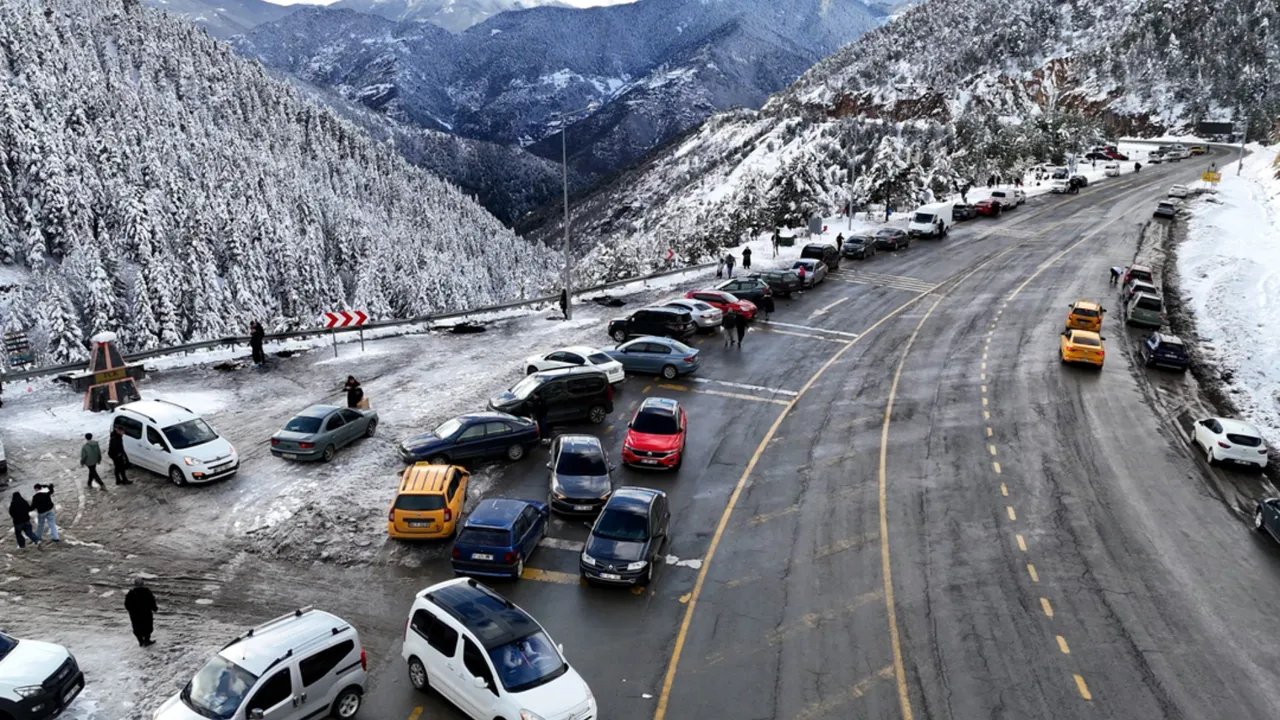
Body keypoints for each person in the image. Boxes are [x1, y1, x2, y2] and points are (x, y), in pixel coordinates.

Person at [125, 578, 158, 647]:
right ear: (143, 584)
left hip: (135, 615)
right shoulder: (146, 591)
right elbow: (152, 601)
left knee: (137, 628)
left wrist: (131, 611)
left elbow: (127, 604)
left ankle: (141, 642)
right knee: (147, 627)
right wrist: (154, 608)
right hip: (146, 613)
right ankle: (146, 641)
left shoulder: (131, 593)